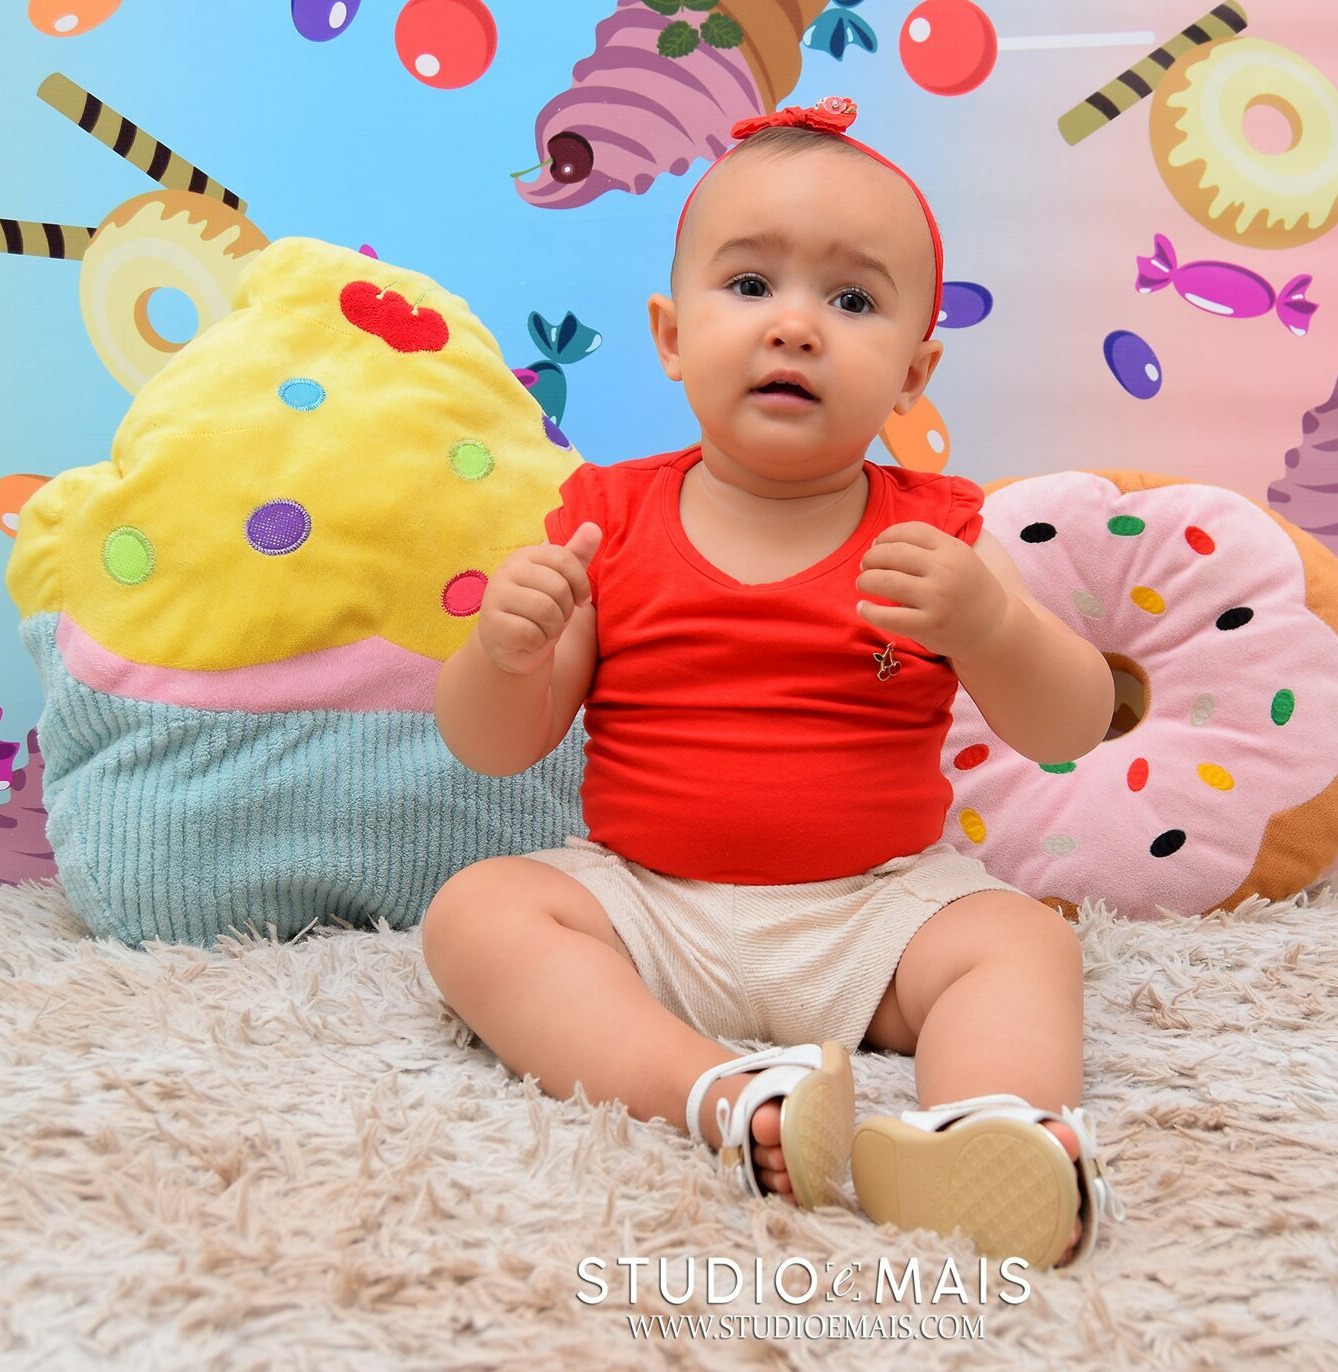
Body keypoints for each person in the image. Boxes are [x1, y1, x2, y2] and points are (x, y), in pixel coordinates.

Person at [421, 97, 1122, 1271]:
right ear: (670, 334)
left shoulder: (939, 534)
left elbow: (1073, 722)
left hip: (875, 913)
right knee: (476, 914)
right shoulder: (607, 518)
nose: (795, 326)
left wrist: (991, 624)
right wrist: (502, 656)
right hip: (648, 908)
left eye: (852, 301)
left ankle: (985, 1129)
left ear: (915, 371)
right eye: (750, 285)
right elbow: (495, 746)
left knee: (1022, 942)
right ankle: (718, 1093)